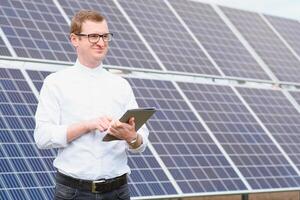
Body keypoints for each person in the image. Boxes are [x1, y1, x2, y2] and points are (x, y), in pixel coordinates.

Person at [34, 10, 149, 200]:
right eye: (93, 36)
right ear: (74, 39)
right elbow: (43, 137)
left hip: (118, 191)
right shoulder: (56, 82)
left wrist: (131, 137)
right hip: (73, 193)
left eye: (105, 36)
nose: (101, 42)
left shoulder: (121, 85)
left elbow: (141, 143)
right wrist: (87, 125)